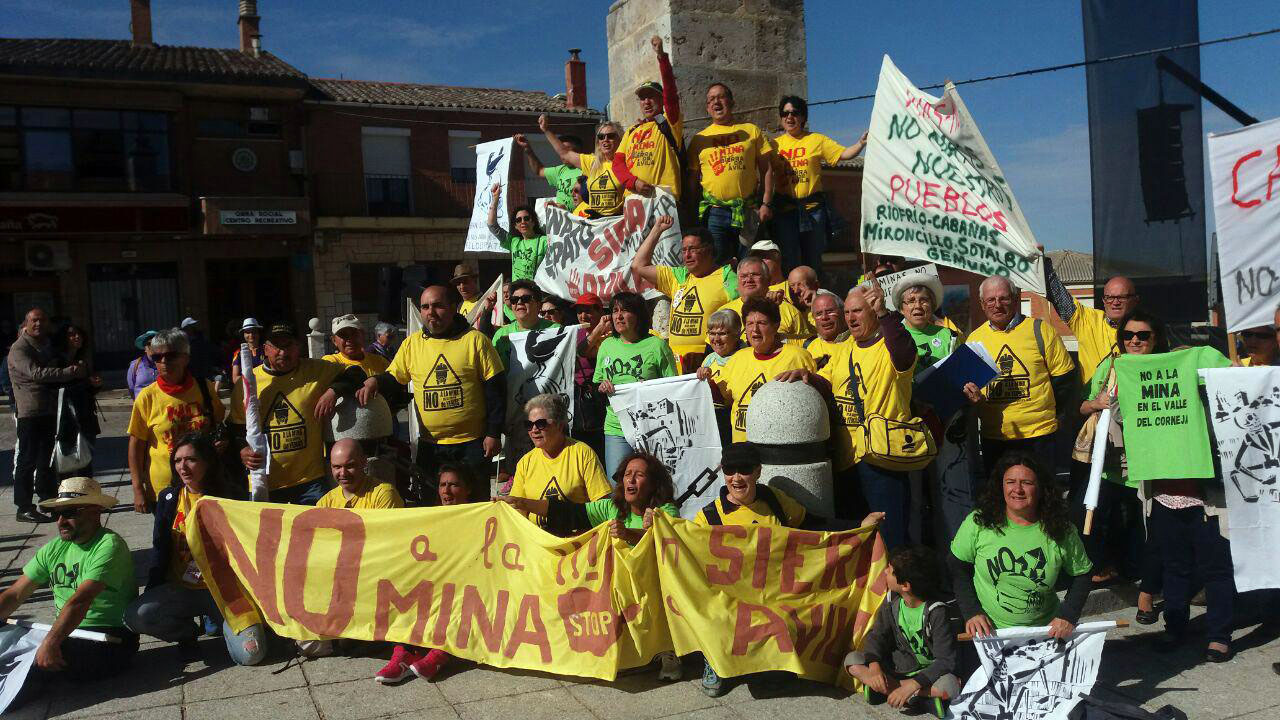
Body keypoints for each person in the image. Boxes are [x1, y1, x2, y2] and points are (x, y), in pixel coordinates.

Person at [785, 283, 917, 545]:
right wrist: (808, 377)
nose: (851, 318)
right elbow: (827, 382)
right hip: (847, 460)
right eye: (847, 312)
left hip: (881, 460)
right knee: (855, 538)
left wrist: (884, 313)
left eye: (857, 311)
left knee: (888, 539)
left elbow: (904, 354)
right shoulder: (844, 348)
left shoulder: (890, 345)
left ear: (873, 311)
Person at [125, 433, 266, 666]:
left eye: (191, 459)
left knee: (252, 655)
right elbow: (160, 549)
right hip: (182, 588)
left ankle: (222, 623)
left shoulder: (230, 495)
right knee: (136, 616)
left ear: (207, 462)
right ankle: (186, 633)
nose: (183, 466)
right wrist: (153, 591)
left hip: (225, 591)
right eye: (178, 460)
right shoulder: (168, 498)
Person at [0, 477, 138, 688]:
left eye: (70, 512)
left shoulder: (109, 546)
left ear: (95, 511)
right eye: (57, 513)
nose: (60, 521)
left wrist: (51, 642)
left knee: (22, 665)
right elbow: (16, 593)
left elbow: (80, 601)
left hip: (109, 639)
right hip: (69, 632)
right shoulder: (55, 548)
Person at [359, 285, 504, 485]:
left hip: (471, 444)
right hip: (431, 447)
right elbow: (394, 378)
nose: (430, 312)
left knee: (474, 506)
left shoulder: (476, 341)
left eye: (438, 305)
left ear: (453, 308)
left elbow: (496, 390)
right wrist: (375, 381)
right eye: (425, 307)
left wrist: (494, 433)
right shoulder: (412, 344)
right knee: (432, 507)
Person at [1074, 310, 1165, 622]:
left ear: (1156, 338)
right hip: (1112, 462)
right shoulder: (1110, 366)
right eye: (1128, 336)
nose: (1135, 340)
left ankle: (1146, 593)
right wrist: (1097, 403)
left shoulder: (1166, 367)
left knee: (1149, 530)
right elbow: (1083, 404)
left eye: (1142, 335)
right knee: (1096, 519)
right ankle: (1106, 570)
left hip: (1152, 462)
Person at [949, 452, 1093, 637]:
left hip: (1044, 633)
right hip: (989, 634)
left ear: (1041, 489)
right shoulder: (979, 522)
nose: (1017, 489)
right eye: (1010, 482)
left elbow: (1083, 574)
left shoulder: (1061, 529)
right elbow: (957, 567)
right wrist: (971, 612)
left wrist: (1068, 615)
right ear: (1000, 486)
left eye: (1027, 482)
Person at [229, 321, 356, 505]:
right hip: (265, 483)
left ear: (299, 347)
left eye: (288, 345)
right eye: (276, 346)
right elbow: (235, 427)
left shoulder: (316, 371)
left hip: (310, 481)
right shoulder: (247, 383)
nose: (283, 352)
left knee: (318, 532)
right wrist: (243, 449)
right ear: (265, 349)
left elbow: (355, 373)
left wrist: (333, 391)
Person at [374, 463, 479, 684]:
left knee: (458, 600)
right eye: (442, 485)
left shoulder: (482, 518)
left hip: (466, 583)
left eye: (453, 485)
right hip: (435, 581)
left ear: (467, 489)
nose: (446, 491)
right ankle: (402, 652)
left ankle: (440, 655)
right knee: (407, 592)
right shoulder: (431, 517)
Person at [963, 275, 1075, 474]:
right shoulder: (974, 339)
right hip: (995, 438)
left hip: (1039, 436)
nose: (997, 305)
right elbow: (971, 387)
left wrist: (1048, 415)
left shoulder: (1041, 331)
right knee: (1000, 498)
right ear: (982, 304)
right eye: (991, 300)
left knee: (1041, 497)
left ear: (1016, 299)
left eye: (1004, 298)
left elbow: (1064, 379)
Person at [845, 546, 960, 712]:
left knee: (951, 686)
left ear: (905, 585)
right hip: (899, 669)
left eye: (891, 571)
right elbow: (877, 635)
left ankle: (888, 690)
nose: (885, 572)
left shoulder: (936, 611)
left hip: (929, 676)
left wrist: (911, 685)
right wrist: (875, 667)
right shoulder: (892, 600)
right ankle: (918, 698)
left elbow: (946, 660)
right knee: (852, 661)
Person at [128, 329, 226, 514]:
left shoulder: (204, 388)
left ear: (185, 358)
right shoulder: (147, 397)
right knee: (170, 541)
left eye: (171, 355)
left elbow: (218, 422)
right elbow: (136, 445)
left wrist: (221, 441)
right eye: (158, 357)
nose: (164, 361)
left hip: (205, 485)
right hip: (165, 491)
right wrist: (138, 489)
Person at [8, 308, 87, 522]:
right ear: (26, 323)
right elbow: (37, 373)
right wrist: (69, 371)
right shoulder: (19, 348)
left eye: (42, 320)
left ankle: (47, 500)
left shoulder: (45, 346)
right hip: (30, 413)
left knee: (47, 459)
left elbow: (56, 364)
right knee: (27, 460)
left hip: (48, 410)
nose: (38, 324)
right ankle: (23, 506)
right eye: (34, 320)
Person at [772, 96, 867, 271]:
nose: (789, 117)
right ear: (781, 118)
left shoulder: (816, 140)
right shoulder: (774, 145)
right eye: (785, 113)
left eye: (795, 113)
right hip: (785, 211)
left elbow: (844, 154)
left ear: (803, 117)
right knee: (789, 259)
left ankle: (814, 294)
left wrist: (860, 143)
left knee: (813, 260)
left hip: (813, 210)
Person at [632, 218, 739, 370]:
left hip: (709, 362)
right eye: (684, 250)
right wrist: (657, 230)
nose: (687, 255)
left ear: (708, 249)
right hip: (675, 362)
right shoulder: (680, 276)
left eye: (693, 249)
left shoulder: (727, 277)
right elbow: (638, 266)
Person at [686, 82, 775, 264]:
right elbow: (693, 180)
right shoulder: (699, 139)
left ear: (731, 102)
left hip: (748, 211)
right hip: (715, 213)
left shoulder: (751, 131)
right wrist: (691, 211)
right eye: (711, 99)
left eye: (721, 97)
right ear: (707, 108)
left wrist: (766, 203)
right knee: (718, 265)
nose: (716, 102)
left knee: (750, 263)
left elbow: (767, 170)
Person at [709, 297, 816, 444]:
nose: (755, 329)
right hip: (743, 450)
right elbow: (724, 399)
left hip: (780, 448)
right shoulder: (737, 358)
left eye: (762, 323)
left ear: (776, 326)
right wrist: (705, 383)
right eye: (750, 324)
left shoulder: (797, 356)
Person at [595, 292, 678, 476]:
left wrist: (649, 389)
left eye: (625, 310)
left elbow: (672, 388)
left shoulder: (657, 346)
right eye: (615, 311)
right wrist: (601, 387)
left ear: (639, 315)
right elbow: (597, 383)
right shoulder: (607, 345)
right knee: (618, 484)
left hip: (652, 427)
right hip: (616, 428)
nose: (618, 316)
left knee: (652, 483)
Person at [507, 394, 612, 529]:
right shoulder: (525, 462)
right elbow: (517, 511)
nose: (534, 430)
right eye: (529, 425)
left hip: (577, 541)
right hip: (538, 542)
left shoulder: (582, 453)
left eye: (540, 424)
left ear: (559, 425)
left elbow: (602, 507)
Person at [1044, 255, 1138, 387]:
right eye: (1110, 297)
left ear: (1135, 300)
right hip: (1095, 404)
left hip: (1136, 402)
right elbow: (1057, 295)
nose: (1115, 302)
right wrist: (1042, 262)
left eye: (1122, 297)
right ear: (1104, 301)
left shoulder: (1147, 330)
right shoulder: (1088, 321)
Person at [611, 35, 683, 201]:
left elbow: (671, 95)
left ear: (661, 100)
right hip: (634, 199)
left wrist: (662, 57)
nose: (646, 102)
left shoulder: (669, 122)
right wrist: (633, 182)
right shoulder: (631, 131)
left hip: (664, 200)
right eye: (642, 98)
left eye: (651, 96)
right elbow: (617, 164)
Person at [539, 115, 639, 218]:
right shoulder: (592, 162)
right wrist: (546, 130)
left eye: (611, 136)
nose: (605, 140)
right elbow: (565, 153)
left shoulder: (629, 163)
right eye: (601, 137)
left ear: (620, 139)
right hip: (595, 223)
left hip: (619, 221)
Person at [718, 256, 807, 343]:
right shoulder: (724, 312)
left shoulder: (790, 311)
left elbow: (804, 345)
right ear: (737, 281)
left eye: (755, 275)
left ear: (768, 280)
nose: (749, 279)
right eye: (744, 276)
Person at [54, 323, 102, 478]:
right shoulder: (57, 362)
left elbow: (87, 390)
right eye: (71, 334)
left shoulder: (82, 360)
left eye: (79, 334)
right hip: (67, 418)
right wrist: (86, 383)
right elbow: (60, 390)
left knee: (86, 457)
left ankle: (86, 491)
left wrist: (95, 385)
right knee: (67, 459)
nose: (77, 337)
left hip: (86, 415)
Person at [571, 293, 611, 460]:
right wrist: (597, 330)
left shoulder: (612, 333)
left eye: (587, 311)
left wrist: (600, 330)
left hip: (604, 395)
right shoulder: (574, 332)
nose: (582, 316)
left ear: (600, 311)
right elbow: (581, 350)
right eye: (579, 311)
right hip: (581, 400)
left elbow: (587, 351)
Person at [895, 276, 959, 377]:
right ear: (901, 309)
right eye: (911, 301)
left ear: (932, 306)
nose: (918, 306)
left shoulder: (949, 335)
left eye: (924, 300)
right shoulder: (894, 338)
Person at [698, 308, 743, 446]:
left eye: (722, 333)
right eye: (712, 333)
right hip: (710, 422)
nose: (716, 339)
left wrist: (714, 388)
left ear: (737, 335)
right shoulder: (709, 359)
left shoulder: (745, 356)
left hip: (732, 422)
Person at [317, 439, 405, 509]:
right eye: (337, 467)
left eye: (350, 466)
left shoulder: (384, 495)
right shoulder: (325, 503)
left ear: (364, 462)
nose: (343, 473)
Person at [487, 185, 549, 282]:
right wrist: (495, 198)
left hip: (536, 293)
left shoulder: (544, 241)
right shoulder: (513, 242)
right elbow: (492, 226)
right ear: (515, 226)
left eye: (527, 218)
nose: (523, 222)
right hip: (516, 293)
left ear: (533, 222)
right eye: (518, 220)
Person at [492, 279, 560, 363]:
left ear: (538, 305)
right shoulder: (500, 335)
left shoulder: (557, 330)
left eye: (525, 298)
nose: (519, 302)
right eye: (514, 299)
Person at [515, 131, 585, 210]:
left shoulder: (588, 169)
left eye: (567, 151)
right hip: (561, 219)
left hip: (580, 219)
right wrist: (527, 149)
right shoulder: (561, 170)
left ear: (579, 152)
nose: (563, 154)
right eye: (561, 150)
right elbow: (538, 170)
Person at [323, 314, 390, 376]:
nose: (350, 339)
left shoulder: (380, 362)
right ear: (334, 341)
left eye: (354, 333)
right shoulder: (331, 363)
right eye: (343, 335)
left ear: (363, 335)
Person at [801, 290, 847, 370]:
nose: (824, 317)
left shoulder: (858, 341)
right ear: (813, 318)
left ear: (842, 312)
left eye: (830, 311)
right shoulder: (807, 345)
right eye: (819, 314)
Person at [229, 318, 265, 385]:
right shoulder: (239, 353)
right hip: (247, 390)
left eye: (254, 331)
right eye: (247, 332)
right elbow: (235, 378)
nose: (251, 335)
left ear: (258, 333)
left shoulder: (267, 349)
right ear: (244, 335)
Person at [180, 317, 217, 382]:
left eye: (193, 325)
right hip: (190, 374)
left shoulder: (201, 338)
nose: (194, 327)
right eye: (191, 325)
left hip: (203, 372)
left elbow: (206, 354)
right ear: (186, 328)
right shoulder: (182, 342)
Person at [127, 329, 159, 399]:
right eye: (149, 344)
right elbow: (131, 389)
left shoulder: (164, 363)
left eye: (155, 343)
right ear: (144, 348)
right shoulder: (135, 365)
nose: (152, 346)